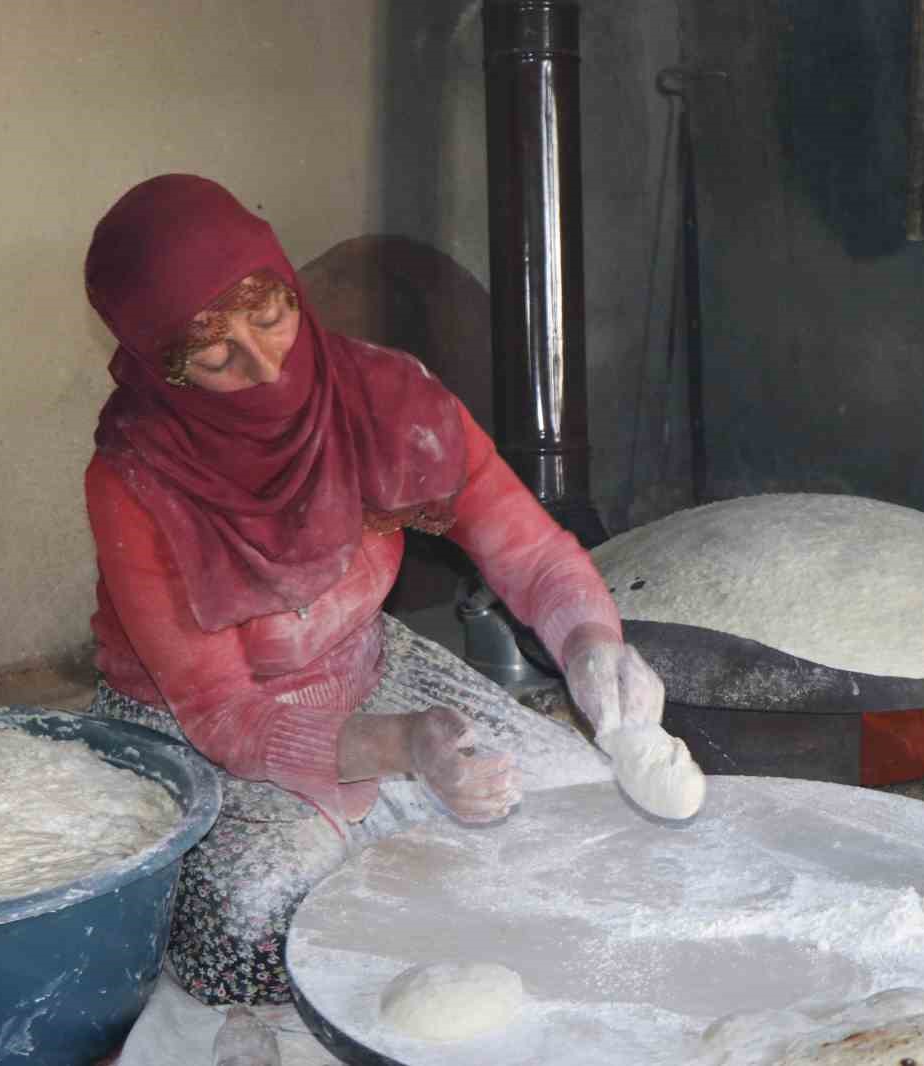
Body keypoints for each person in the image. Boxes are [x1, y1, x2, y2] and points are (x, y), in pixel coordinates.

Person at [82, 174, 664, 1007]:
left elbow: (531, 553)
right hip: (194, 726)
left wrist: (591, 642)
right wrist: (403, 750)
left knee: (581, 809)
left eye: (274, 316)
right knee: (259, 917)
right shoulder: (136, 481)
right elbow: (226, 715)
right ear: (159, 364)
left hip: (366, 669)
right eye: (214, 356)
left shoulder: (386, 399)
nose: (267, 364)